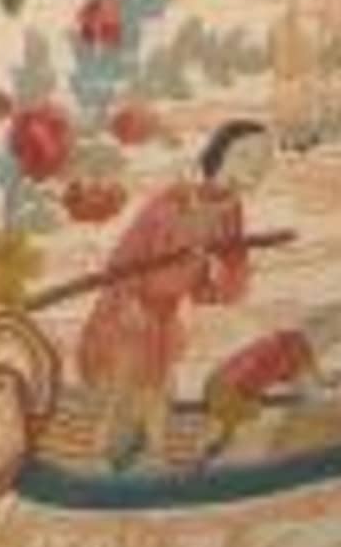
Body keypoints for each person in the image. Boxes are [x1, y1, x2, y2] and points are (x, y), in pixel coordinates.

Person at [72, 117, 269, 454]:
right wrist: (129, 301)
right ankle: (100, 452)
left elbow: (223, 269)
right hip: (128, 306)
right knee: (122, 389)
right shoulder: (176, 199)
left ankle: (155, 456)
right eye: (247, 155)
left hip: (164, 315)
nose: (260, 165)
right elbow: (128, 255)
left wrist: (227, 283)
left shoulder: (231, 208)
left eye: (265, 158)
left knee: (157, 389)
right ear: (221, 155)